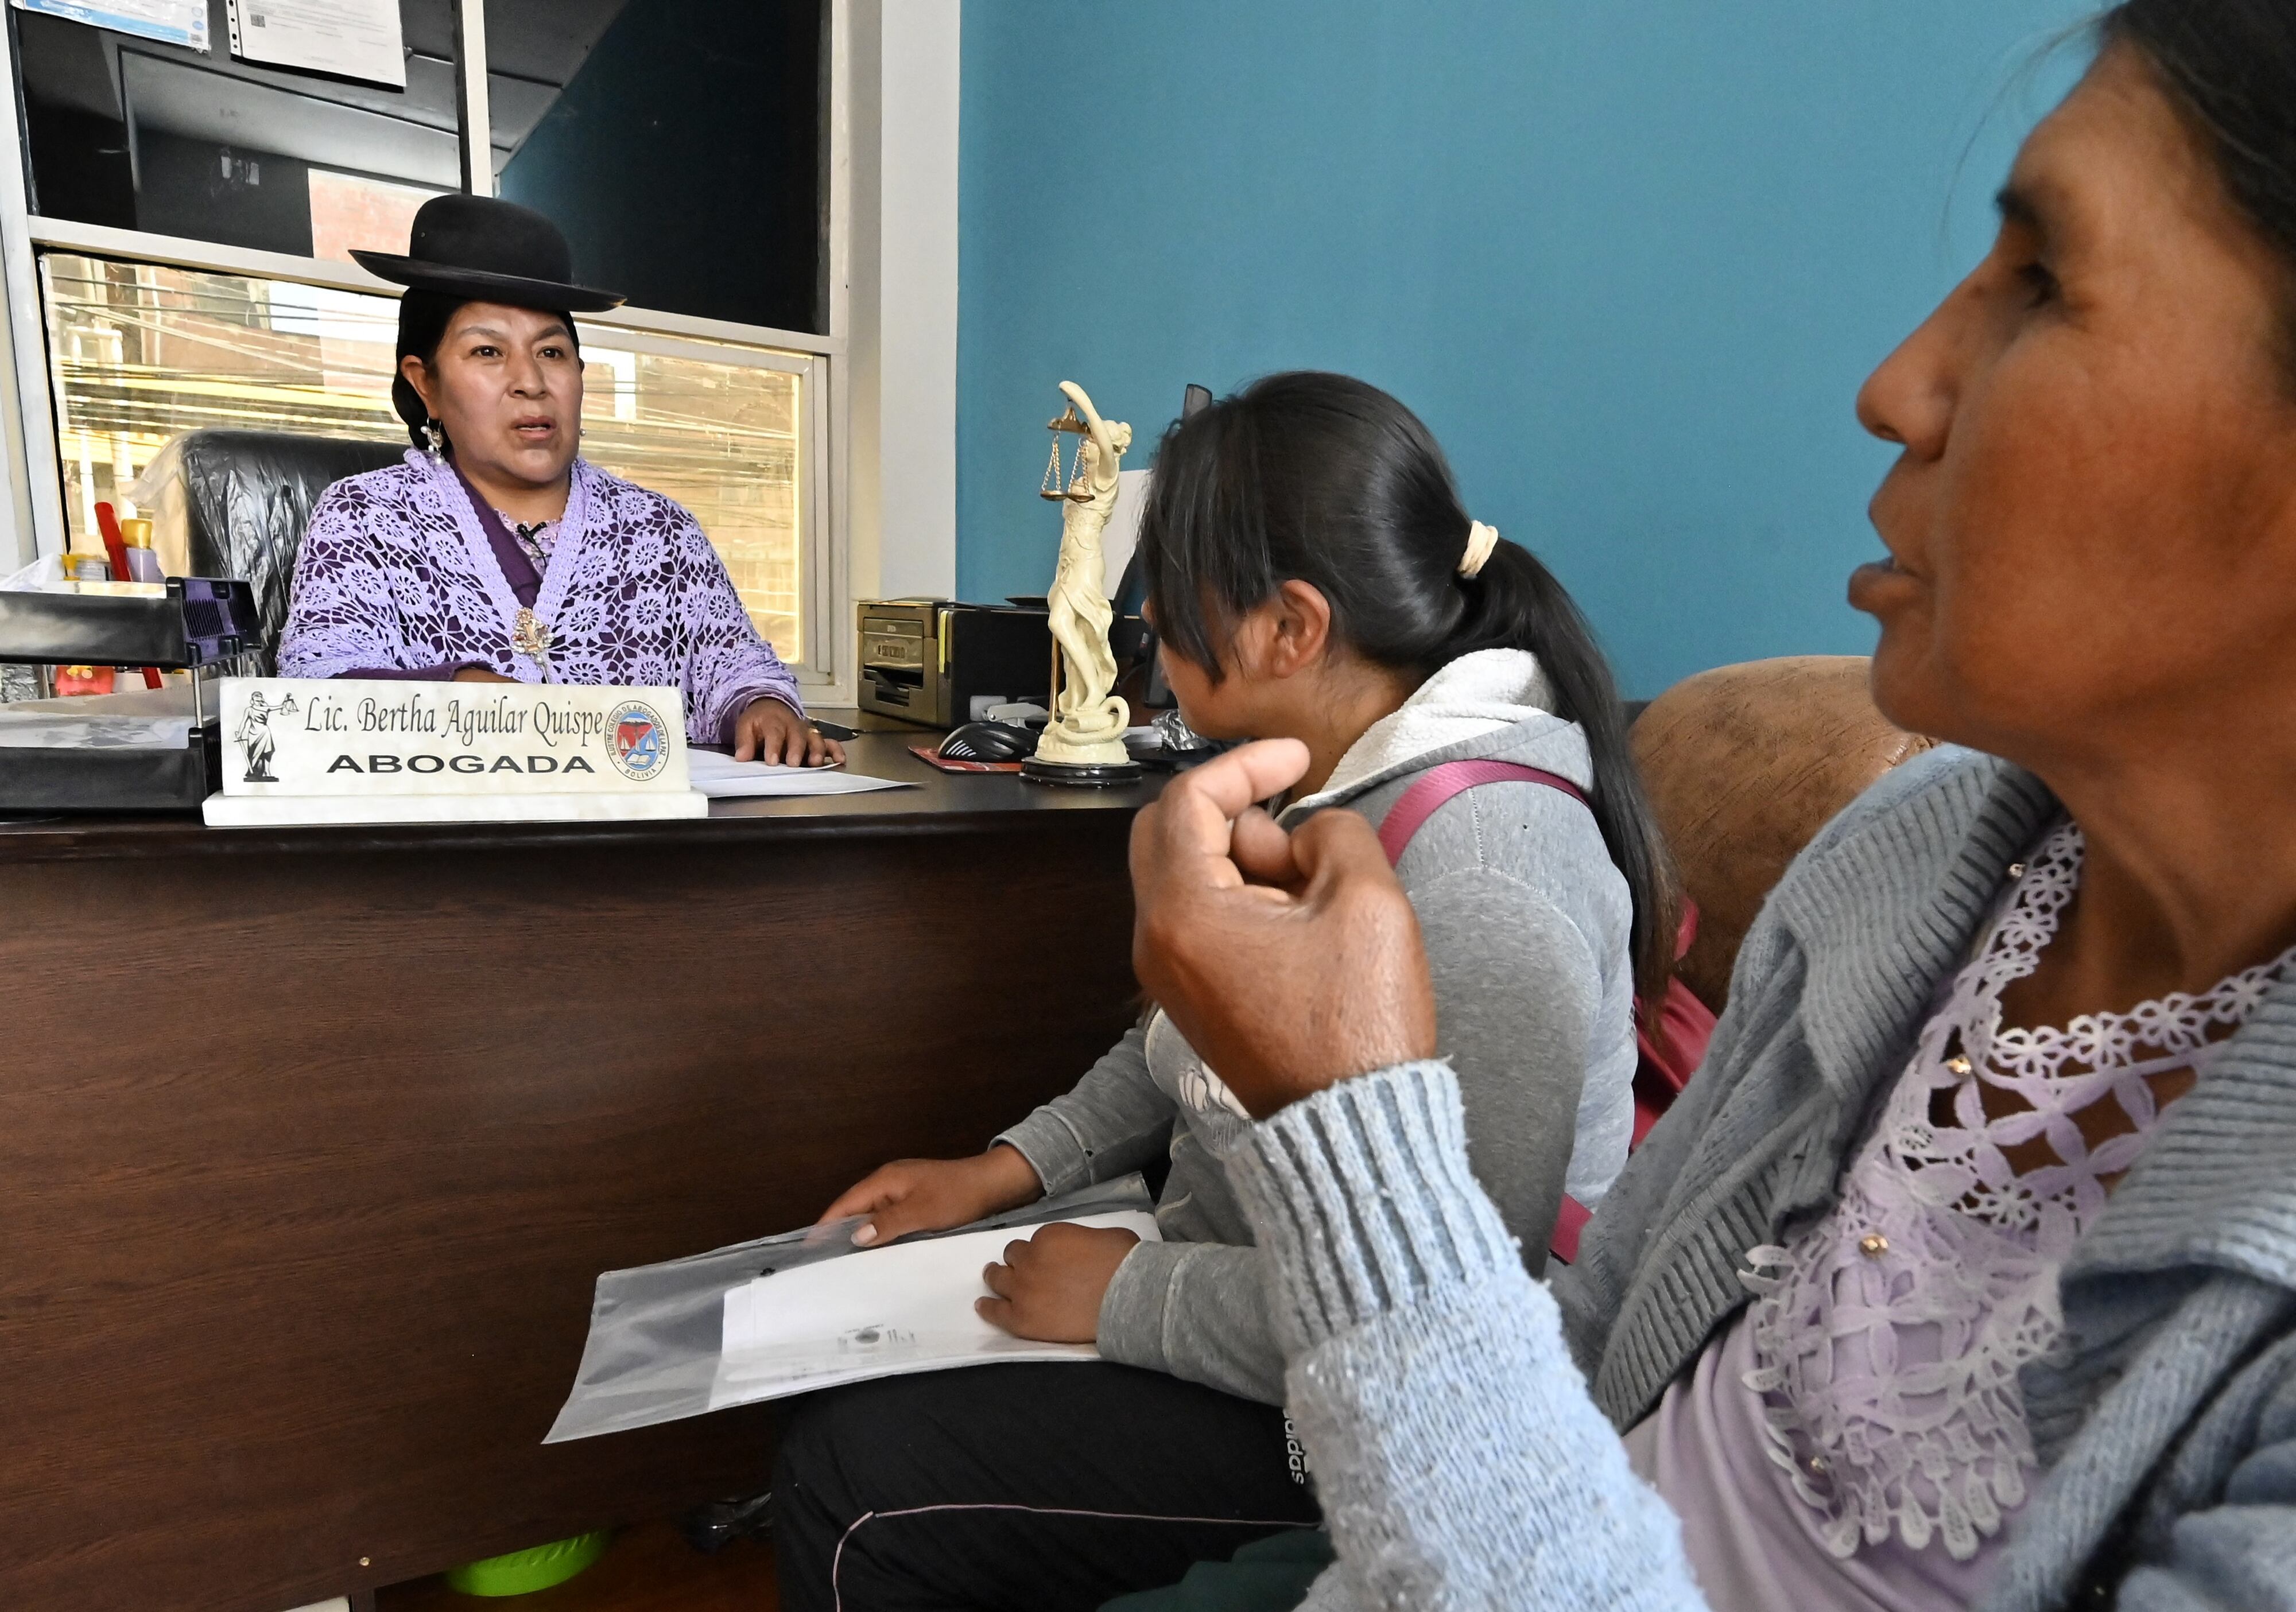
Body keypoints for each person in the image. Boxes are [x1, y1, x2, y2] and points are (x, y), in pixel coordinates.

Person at [1117, 4, 2296, 1608]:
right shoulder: (1906, 862)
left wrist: (1347, 1135)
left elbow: (1473, 1283)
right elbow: (1596, 1369)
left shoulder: (1490, 868)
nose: (1896, 386)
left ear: (1294, 626)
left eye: (2041, 282)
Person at [768, 372, 1678, 1609]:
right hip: (1249, 1287)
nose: (1141, 648)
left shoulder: (1485, 876)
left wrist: (1131, 1294)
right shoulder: (1323, 785)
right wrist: (1002, 1172)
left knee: (854, 1480)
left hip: (1368, 1401)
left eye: (1155, 618)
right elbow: (1178, 1047)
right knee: (840, 1366)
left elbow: (1460, 1314)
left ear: (1287, 629)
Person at [277, 193, 839, 765]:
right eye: (488, 351)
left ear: (578, 374)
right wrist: (456, 691)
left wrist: (763, 706)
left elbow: (733, 659)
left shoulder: (661, 530)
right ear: (426, 384)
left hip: (644, 844)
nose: (529, 381)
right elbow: (317, 685)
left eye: (551, 351)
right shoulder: (364, 516)